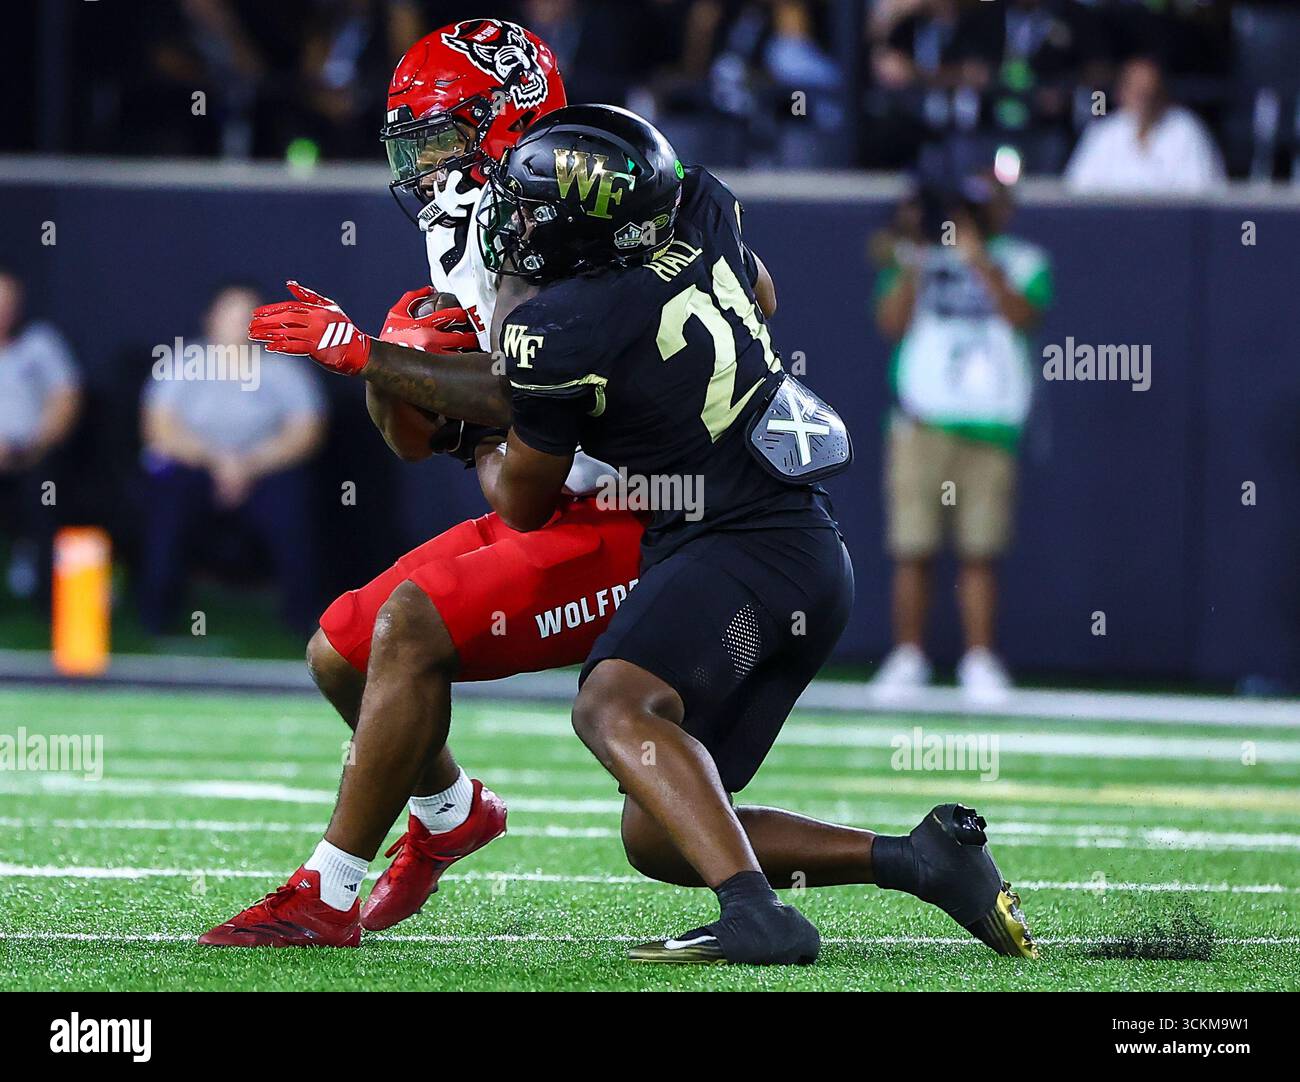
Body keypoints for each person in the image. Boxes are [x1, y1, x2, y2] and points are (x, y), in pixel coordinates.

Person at [230, 104, 1039, 965]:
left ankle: (758, 917)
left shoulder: (563, 326)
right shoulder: (701, 213)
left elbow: (525, 505)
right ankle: (919, 860)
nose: (514, 225)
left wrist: (447, 410)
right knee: (660, 834)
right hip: (793, 547)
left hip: (734, 545)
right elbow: (758, 292)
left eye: (533, 212)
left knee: (612, 703)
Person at [199, 19, 645, 948]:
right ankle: (450, 814)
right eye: (411, 143)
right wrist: (397, 370)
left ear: (506, 120)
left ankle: (326, 895)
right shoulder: (476, 224)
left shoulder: (569, 208)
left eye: (439, 138)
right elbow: (435, 442)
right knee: (339, 650)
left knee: (407, 628)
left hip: (642, 511)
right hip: (550, 491)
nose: (422, 165)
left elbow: (532, 382)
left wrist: (365, 354)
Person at [871, 176, 1051, 703]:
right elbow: (890, 322)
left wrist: (979, 259)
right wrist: (915, 258)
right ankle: (907, 657)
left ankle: (979, 659)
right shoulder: (920, 257)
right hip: (921, 421)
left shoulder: (1023, 259)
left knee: (981, 550)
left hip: (990, 423)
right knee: (912, 547)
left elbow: (1024, 316)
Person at [139, 281, 327, 635]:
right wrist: (218, 462)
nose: (240, 324)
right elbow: (158, 429)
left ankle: (304, 623)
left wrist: (247, 465)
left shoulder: (285, 368)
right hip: (193, 467)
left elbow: (307, 433)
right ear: (210, 318)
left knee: (294, 504)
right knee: (165, 501)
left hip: (263, 469)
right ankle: (156, 618)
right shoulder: (182, 361)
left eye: (250, 316)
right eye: (231, 314)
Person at [0, 267, 83, 605]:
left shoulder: (40, 343)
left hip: (31, 456)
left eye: (7, 300)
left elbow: (66, 401)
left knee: (44, 488)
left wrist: (30, 445)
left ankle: (47, 597)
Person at [1065, 55, 1225, 193]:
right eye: (1137, 92)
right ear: (1121, 93)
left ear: (1162, 93)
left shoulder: (1186, 130)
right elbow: (1077, 192)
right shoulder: (1103, 133)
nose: (1143, 100)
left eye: (1149, 92)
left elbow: (1203, 195)